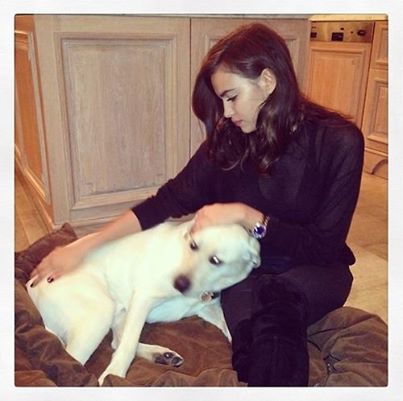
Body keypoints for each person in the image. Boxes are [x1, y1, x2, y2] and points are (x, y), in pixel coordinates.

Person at [30, 23, 364, 386]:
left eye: (232, 97)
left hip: (314, 269)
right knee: (246, 341)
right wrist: (84, 247)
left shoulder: (339, 142)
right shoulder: (229, 140)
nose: (226, 112)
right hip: (244, 271)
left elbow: (323, 246)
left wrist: (247, 216)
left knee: (276, 314)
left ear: (268, 81)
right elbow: (164, 203)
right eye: (221, 100)